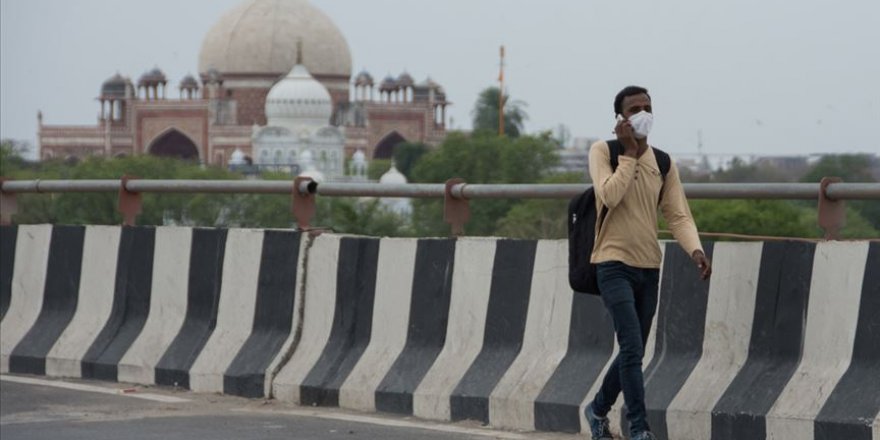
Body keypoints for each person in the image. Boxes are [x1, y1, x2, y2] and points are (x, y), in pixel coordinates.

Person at [584, 86, 712, 440]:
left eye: (648, 107)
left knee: (634, 351)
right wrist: (628, 153)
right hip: (611, 263)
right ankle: (640, 429)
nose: (643, 112)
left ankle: (596, 410)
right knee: (631, 347)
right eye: (635, 108)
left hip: (648, 267)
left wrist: (696, 251)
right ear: (620, 117)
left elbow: (678, 216)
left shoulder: (664, 162)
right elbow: (608, 194)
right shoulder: (603, 151)